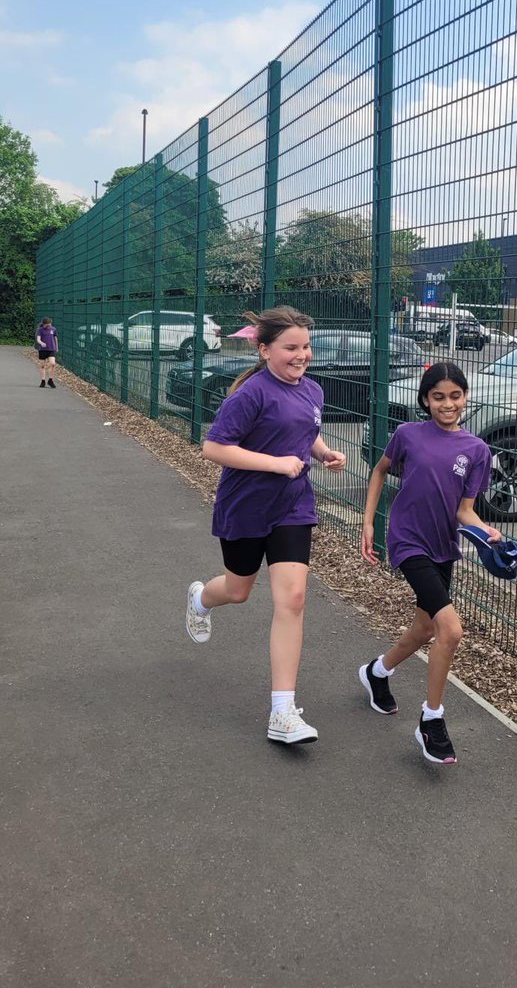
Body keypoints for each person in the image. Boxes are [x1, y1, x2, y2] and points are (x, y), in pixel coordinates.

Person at [185, 306, 346, 745]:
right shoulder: (251, 393)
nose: (302, 355)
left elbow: (304, 430)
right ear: (265, 349)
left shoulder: (312, 390)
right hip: (245, 508)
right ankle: (201, 597)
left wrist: (323, 452)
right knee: (237, 590)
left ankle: (282, 712)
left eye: (306, 346)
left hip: (292, 508)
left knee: (292, 599)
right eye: (291, 347)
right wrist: (275, 464)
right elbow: (214, 448)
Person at [359, 362, 502, 765]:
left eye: (455, 395)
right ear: (425, 400)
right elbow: (380, 471)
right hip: (408, 542)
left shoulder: (477, 450)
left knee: (425, 627)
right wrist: (369, 522)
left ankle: (377, 672)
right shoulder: (408, 435)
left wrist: (488, 532)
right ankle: (431, 719)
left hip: (444, 547)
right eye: (438, 396)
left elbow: (466, 511)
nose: (447, 403)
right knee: (450, 630)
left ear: (465, 397)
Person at [35, 317, 58, 387]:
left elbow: (56, 338)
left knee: (53, 363)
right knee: (42, 365)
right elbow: (38, 339)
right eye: (47, 325)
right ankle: (43, 381)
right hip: (42, 350)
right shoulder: (40, 330)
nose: (49, 326)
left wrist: (57, 347)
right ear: (44, 324)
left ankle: (50, 380)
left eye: (50, 324)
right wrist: (41, 343)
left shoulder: (53, 329)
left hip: (51, 349)